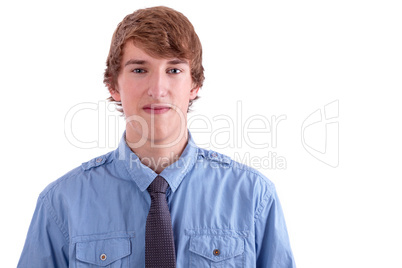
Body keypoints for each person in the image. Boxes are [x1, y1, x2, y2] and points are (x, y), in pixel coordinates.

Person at [18, 6, 296, 267]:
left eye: (174, 70)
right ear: (113, 85)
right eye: (140, 70)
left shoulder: (254, 197)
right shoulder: (61, 203)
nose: (158, 88)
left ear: (194, 85)